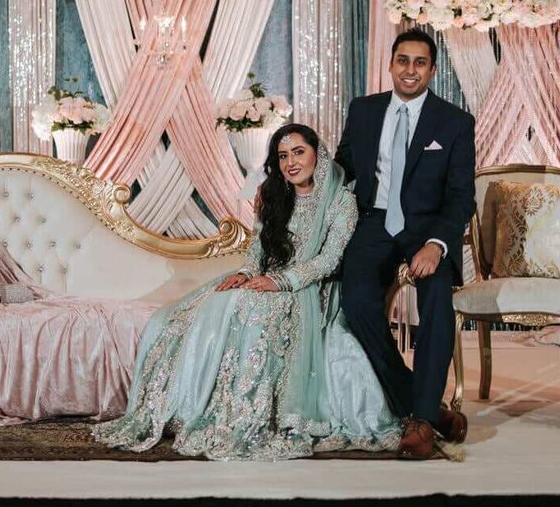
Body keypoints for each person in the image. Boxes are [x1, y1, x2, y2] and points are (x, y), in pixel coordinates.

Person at [93, 124, 400, 460]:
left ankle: (247, 413)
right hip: (264, 279)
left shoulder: (341, 201)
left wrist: (281, 282)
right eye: (283, 156)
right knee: (192, 310)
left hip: (310, 288)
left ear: (319, 154)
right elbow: (257, 248)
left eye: (298, 152)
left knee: (248, 308)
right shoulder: (273, 195)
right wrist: (246, 273)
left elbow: (328, 260)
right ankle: (189, 407)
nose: (291, 163)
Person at [336, 28, 476, 460]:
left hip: (427, 230)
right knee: (355, 301)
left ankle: (418, 422)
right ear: (391, 64)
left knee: (437, 300)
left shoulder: (454, 122)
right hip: (374, 225)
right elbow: (339, 168)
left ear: (432, 70)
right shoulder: (363, 110)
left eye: (419, 63)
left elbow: (460, 196)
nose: (409, 70)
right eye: (403, 61)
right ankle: (423, 405)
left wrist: (436, 244)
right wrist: (284, 184)